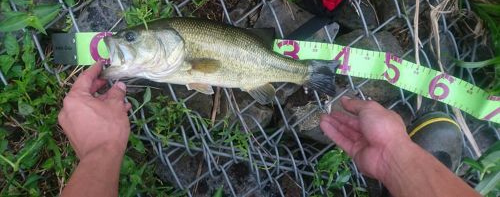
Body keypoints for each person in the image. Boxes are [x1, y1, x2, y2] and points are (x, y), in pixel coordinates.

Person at [59, 63, 480, 197]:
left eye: (133, 39)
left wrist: (100, 151)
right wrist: (397, 156)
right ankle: (405, 166)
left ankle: (399, 166)